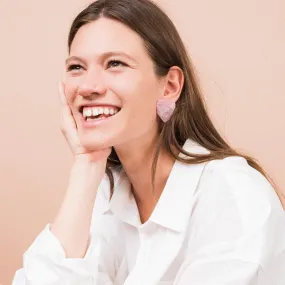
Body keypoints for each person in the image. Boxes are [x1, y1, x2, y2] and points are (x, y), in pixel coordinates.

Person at [12, 0, 285, 284]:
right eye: (77, 67)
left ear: (169, 86)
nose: (89, 87)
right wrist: (87, 165)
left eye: (115, 64)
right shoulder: (102, 194)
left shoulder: (234, 196)